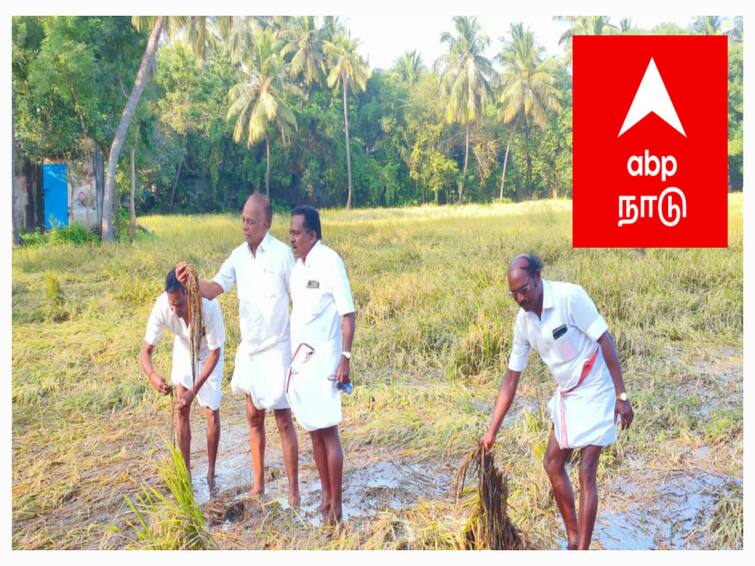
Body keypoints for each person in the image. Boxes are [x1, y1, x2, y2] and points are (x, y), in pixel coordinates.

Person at [481, 254, 634, 550]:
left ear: (538, 277)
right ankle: (574, 536)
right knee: (552, 462)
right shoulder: (523, 322)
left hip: (596, 382)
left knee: (587, 469)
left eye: (524, 289)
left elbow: (605, 340)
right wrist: (492, 431)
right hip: (568, 392)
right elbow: (511, 378)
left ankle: (582, 551)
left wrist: (621, 396)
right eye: (513, 293)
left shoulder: (569, 297)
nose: (520, 298)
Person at [176, 193, 300, 506]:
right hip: (251, 348)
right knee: (253, 417)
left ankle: (294, 492)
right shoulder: (238, 257)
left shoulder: (283, 255)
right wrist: (192, 279)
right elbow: (214, 290)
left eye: (251, 221)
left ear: (267, 224)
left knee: (283, 420)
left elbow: (298, 299)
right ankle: (259, 486)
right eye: (243, 219)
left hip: (278, 347)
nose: (245, 226)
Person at [287, 205, 355, 524]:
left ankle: (337, 506)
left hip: (327, 362)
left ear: (313, 234)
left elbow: (347, 315)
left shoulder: (330, 261)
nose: (292, 238)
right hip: (302, 362)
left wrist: (345, 359)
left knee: (329, 433)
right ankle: (326, 498)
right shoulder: (297, 267)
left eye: (297, 232)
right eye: (290, 232)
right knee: (314, 431)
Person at [140, 268, 225, 487]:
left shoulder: (209, 307)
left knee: (211, 410)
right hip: (184, 348)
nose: (175, 310)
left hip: (208, 354)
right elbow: (145, 352)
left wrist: (193, 391)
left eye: (179, 304)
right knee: (181, 408)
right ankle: (185, 473)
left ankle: (211, 473)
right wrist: (153, 376)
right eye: (172, 304)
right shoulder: (162, 307)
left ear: (190, 294)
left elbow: (215, 353)